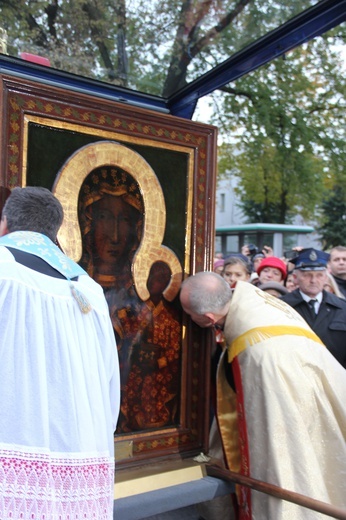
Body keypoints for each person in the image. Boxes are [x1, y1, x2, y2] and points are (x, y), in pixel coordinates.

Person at [180, 272, 346, 520]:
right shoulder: (259, 302)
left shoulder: (256, 354)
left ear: (207, 318)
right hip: (319, 401)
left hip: (295, 418)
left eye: (190, 317)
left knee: (295, 472)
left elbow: (273, 439)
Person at [0, 187, 120, 520]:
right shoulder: (88, 290)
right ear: (54, 232)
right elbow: (110, 385)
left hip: (13, 437)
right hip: (82, 449)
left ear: (5, 223)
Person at [280, 248, 346, 368]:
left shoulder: (342, 307)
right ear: (295, 277)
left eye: (319, 275)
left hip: (336, 379)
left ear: (326, 277)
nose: (313, 280)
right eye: (307, 275)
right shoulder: (282, 307)